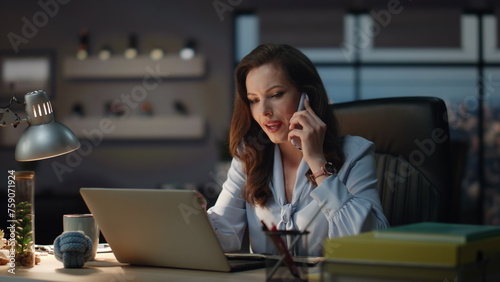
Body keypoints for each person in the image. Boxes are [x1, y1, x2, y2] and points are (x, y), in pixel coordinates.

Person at [205, 44, 389, 256]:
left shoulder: (355, 153)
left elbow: (370, 243)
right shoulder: (250, 155)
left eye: (275, 95)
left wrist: (317, 162)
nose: (263, 111)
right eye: (254, 100)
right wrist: (199, 224)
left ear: (306, 96)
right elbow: (224, 234)